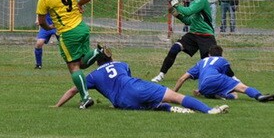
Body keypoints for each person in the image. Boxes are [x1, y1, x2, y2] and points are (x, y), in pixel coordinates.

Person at [55, 50, 229, 115]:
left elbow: (73, 90)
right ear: (111, 57)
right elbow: (126, 78)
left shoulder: (92, 76)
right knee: (175, 96)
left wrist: (57, 105)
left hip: (122, 103)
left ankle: (169, 109)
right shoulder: (122, 64)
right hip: (135, 87)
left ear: (96, 62)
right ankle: (209, 110)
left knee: (149, 105)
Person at [37, 0, 107, 109]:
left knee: (73, 66)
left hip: (68, 33)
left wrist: (49, 28)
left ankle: (86, 98)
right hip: (82, 28)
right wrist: (79, 4)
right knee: (82, 63)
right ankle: (98, 52)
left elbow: (42, 21)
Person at [151, 0, 217, 83]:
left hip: (206, 35)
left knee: (208, 62)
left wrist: (176, 5)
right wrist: (176, 14)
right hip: (193, 34)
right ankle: (161, 75)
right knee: (175, 48)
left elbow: (188, 11)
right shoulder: (194, 0)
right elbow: (189, 21)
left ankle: (230, 80)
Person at [173, 45, 274, 102]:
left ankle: (221, 95)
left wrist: (173, 94)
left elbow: (182, 79)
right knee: (241, 89)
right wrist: (240, 85)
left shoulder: (201, 62)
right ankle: (259, 96)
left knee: (219, 92)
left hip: (204, 88)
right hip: (216, 80)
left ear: (209, 54)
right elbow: (231, 75)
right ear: (221, 54)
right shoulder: (222, 60)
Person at [34, 0, 59, 69]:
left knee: (65, 45)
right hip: (46, 25)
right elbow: (40, 10)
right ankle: (38, 65)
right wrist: (37, 19)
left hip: (58, 26)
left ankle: (73, 62)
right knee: (39, 43)